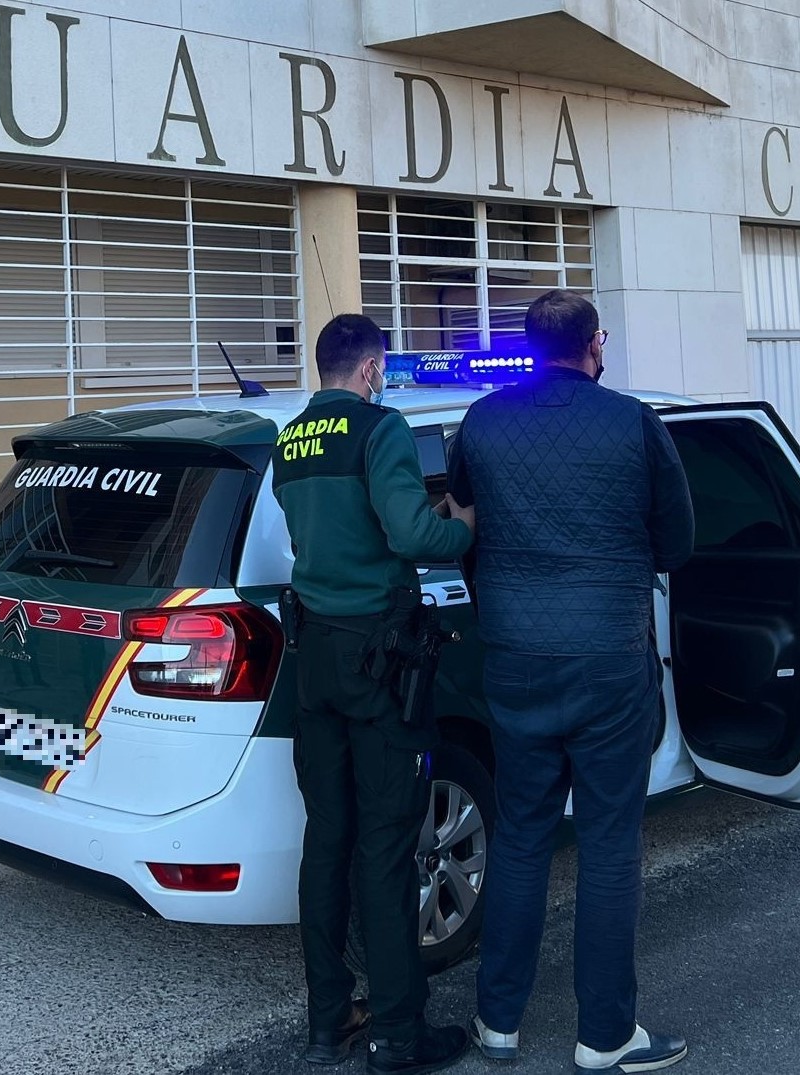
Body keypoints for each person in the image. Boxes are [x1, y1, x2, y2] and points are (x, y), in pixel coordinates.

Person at [448, 290, 696, 1074]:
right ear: (597, 344)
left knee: (520, 837)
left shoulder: (481, 422)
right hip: (609, 660)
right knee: (609, 844)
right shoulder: (634, 422)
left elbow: (462, 527)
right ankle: (605, 1035)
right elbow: (677, 544)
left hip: (515, 658)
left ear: (528, 346)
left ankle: (497, 1023)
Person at [271, 313, 476, 1074]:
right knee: (388, 847)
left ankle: (330, 1022)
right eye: (381, 371)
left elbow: (310, 540)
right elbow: (412, 536)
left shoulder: (287, 441)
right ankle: (398, 1034)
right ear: (368, 371)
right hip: (378, 660)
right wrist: (461, 526)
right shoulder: (380, 428)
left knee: (326, 842)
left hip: (313, 658)